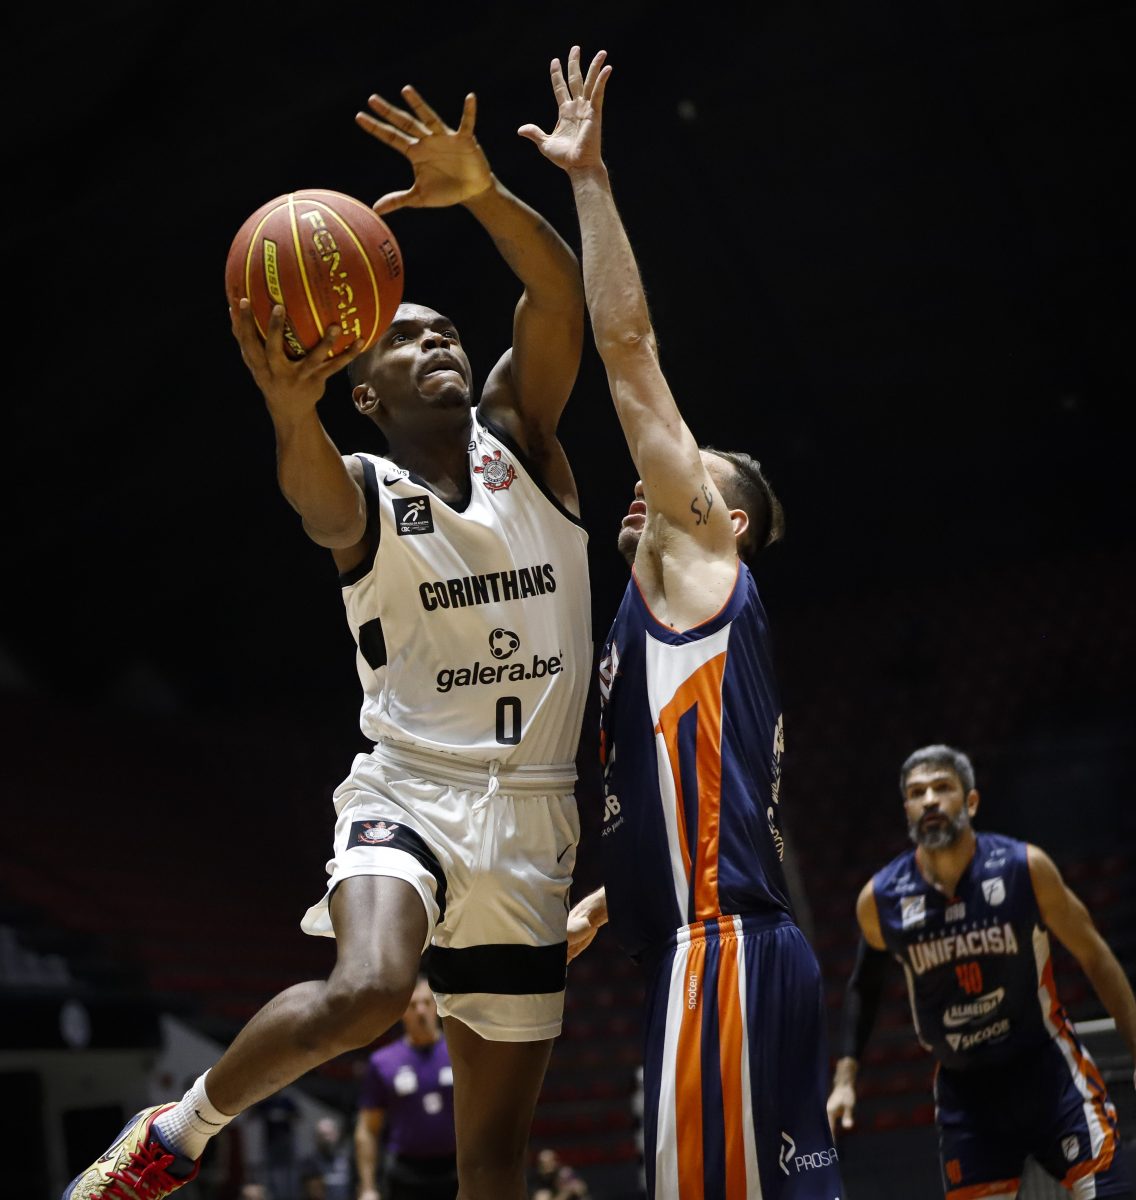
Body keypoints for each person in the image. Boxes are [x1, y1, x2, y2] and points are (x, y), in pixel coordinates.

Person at [63, 74, 591, 1200]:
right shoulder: (358, 483)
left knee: (493, 1160)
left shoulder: (528, 444)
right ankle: (179, 1135)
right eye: (407, 339)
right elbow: (313, 507)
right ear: (364, 391)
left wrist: (487, 192)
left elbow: (560, 299)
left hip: (536, 815)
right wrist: (284, 408)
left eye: (448, 330)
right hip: (410, 789)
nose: (440, 340)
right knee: (366, 990)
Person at [523, 46, 843, 1200]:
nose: (655, 481)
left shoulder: (702, 553)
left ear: (728, 520)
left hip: (725, 951)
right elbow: (686, 787)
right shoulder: (657, 615)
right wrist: (621, 891)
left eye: (686, 474)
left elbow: (628, 351)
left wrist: (589, 180)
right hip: (718, 944)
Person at [826, 743, 1136, 1198]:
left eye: (942, 787)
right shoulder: (882, 899)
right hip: (965, 1094)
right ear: (907, 810)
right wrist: (845, 1080)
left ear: (970, 801)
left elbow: (1095, 955)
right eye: (917, 792)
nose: (929, 799)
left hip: (1047, 1071)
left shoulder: (1023, 868)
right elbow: (864, 986)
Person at [354, 974, 457, 1200]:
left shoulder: (459, 1054)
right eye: (412, 1005)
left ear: (437, 1007)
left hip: (457, 1170)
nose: (420, 1011)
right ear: (401, 1012)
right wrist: (368, 1187)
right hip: (406, 1174)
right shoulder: (383, 1061)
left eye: (426, 1003)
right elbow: (368, 1129)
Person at [300, 1114, 354, 1200]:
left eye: (330, 1134)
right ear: (316, 1137)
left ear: (337, 1134)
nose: (327, 1139)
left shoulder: (347, 1160)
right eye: (323, 1135)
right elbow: (315, 1194)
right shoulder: (310, 1162)